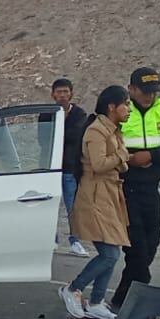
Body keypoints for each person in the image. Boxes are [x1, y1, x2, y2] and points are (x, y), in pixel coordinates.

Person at [112, 67, 160, 308]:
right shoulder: (122, 110)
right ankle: (141, 288)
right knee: (135, 244)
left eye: (153, 92)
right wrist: (129, 159)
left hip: (151, 185)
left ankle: (124, 294)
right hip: (125, 184)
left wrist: (151, 156)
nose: (150, 97)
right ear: (131, 89)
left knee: (152, 237)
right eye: (145, 92)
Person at [60, 86, 131, 319]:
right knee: (109, 253)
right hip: (96, 194)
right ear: (112, 106)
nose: (129, 109)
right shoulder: (96, 131)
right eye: (126, 104)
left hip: (109, 194)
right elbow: (100, 164)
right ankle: (73, 288)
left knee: (113, 249)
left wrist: (121, 159)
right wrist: (122, 157)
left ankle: (97, 301)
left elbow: (121, 164)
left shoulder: (112, 130)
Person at [50, 78, 91, 257]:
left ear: (71, 93)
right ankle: (52, 239)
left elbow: (76, 138)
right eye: (59, 92)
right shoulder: (47, 114)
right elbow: (43, 140)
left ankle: (75, 241)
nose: (62, 96)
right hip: (51, 169)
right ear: (53, 94)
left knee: (73, 208)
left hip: (70, 169)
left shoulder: (80, 115)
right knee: (51, 207)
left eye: (65, 92)